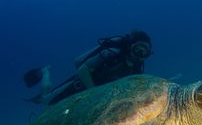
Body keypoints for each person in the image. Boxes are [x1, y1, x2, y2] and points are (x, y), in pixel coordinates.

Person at [24, 30, 152, 105]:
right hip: (81, 86)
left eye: (144, 52)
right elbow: (82, 69)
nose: (139, 54)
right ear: (130, 46)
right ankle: (45, 72)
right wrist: (93, 92)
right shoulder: (111, 54)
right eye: (138, 48)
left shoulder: (136, 68)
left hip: (98, 96)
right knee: (46, 100)